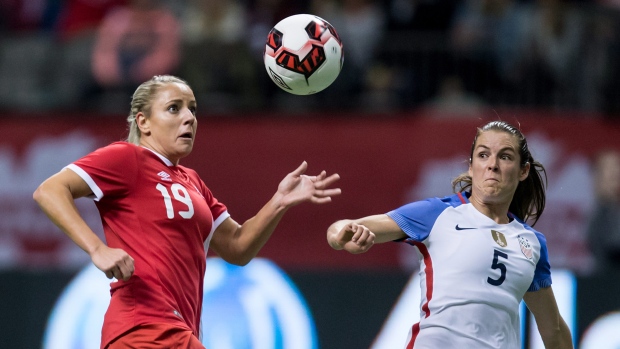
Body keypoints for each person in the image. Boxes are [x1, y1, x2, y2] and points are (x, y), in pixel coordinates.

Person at [33, 75, 341, 349]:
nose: (189, 118)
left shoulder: (192, 181)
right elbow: (49, 190)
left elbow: (237, 247)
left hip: (178, 332)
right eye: (174, 108)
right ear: (143, 122)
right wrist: (97, 249)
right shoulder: (127, 158)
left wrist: (279, 201)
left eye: (192, 109)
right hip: (142, 328)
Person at [327, 120, 572, 348]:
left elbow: (554, 330)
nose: (492, 165)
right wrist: (343, 235)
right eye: (483, 155)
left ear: (523, 170)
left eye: (505, 157)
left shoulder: (531, 243)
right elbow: (340, 229)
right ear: (471, 166)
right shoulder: (437, 213)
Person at [585, 149, 620, 274]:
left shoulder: (613, 210)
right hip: (602, 281)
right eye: (608, 170)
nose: (615, 175)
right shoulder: (594, 211)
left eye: (616, 168)